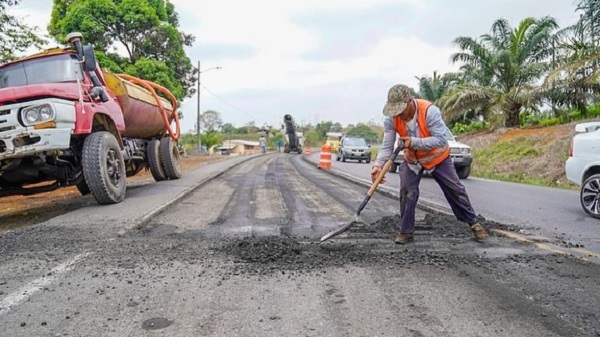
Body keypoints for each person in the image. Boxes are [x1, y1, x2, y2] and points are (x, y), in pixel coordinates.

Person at [371, 84, 489, 244]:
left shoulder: (429, 111)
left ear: (410, 102)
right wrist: (378, 165)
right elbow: (387, 145)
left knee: (455, 189)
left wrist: (413, 142)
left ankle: (473, 223)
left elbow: (440, 139)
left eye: (401, 110)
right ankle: (406, 232)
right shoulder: (391, 118)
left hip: (437, 158)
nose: (399, 114)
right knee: (407, 190)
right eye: (395, 111)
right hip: (412, 160)